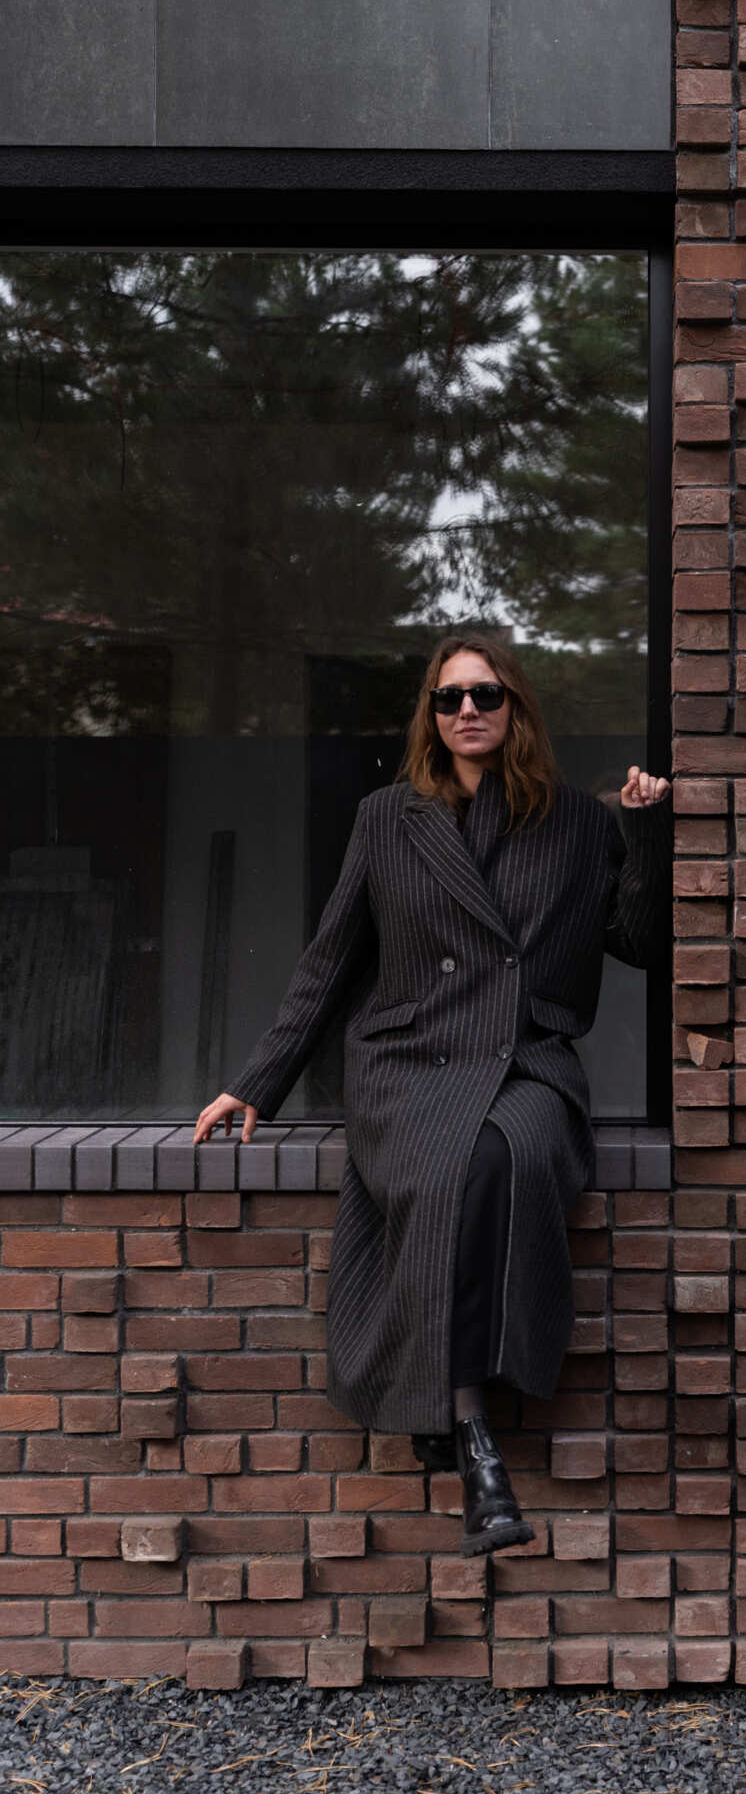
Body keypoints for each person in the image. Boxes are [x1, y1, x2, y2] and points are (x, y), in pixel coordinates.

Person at [193, 632, 672, 1557]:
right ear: (431, 715)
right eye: (448, 698)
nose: (467, 712)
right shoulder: (388, 818)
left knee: (500, 1157)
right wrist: (258, 1081)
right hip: (408, 1062)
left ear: (515, 707)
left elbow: (642, 944)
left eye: (485, 695)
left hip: (527, 1062)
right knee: (452, 1166)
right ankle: (475, 1433)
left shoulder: (577, 822)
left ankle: (449, 1413)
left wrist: (648, 832)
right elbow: (332, 960)